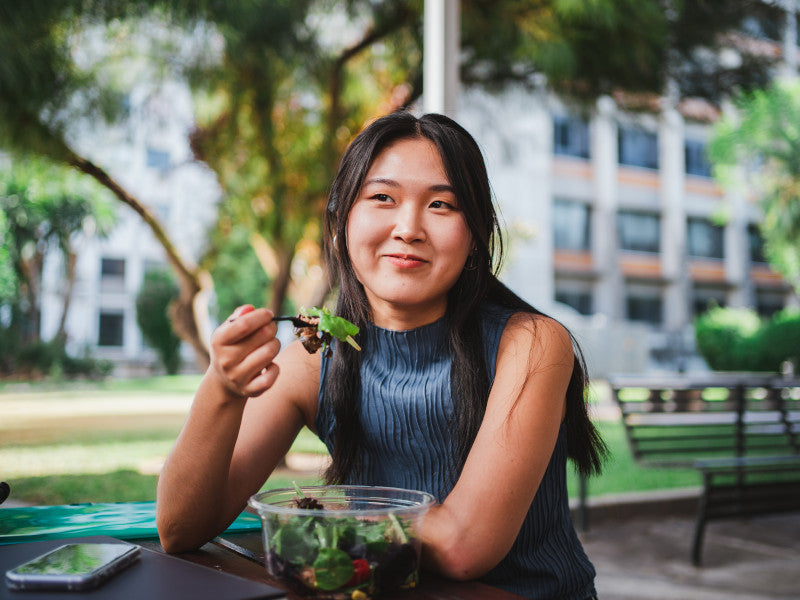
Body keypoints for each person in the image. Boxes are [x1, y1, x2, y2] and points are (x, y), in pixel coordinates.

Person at [156, 110, 606, 600]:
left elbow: (462, 548)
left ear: (475, 236)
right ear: (341, 222)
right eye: (382, 198)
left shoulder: (532, 344)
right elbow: (180, 529)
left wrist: (324, 507)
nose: (408, 228)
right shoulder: (315, 358)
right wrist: (222, 389)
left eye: (441, 204)